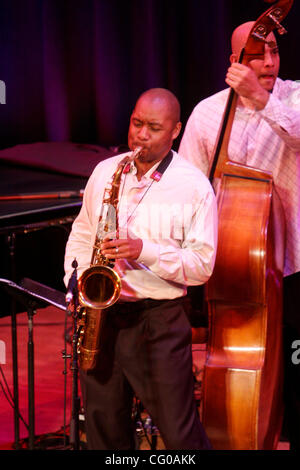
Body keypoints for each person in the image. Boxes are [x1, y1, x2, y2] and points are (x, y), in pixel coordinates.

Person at [64, 87, 218, 450]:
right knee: (104, 431)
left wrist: (143, 250)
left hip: (158, 322)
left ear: (176, 131)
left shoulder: (193, 186)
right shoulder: (106, 172)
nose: (141, 135)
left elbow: (202, 266)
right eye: (136, 123)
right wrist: (75, 282)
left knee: (180, 435)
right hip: (102, 317)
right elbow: (83, 232)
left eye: (153, 127)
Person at [179, 22, 300, 450]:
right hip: (232, 265)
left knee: (296, 361)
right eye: (256, 55)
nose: (268, 62)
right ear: (234, 62)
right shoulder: (207, 113)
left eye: (274, 51)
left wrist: (262, 100)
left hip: (294, 262)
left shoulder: (294, 97)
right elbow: (189, 188)